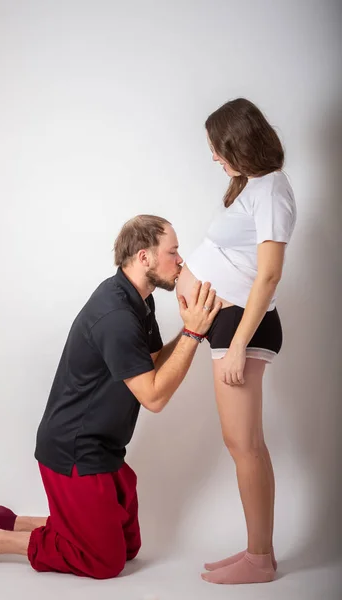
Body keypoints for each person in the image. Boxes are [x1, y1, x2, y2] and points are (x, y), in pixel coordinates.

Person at [0, 215, 221, 578]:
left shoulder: (139, 300)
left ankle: (16, 521)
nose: (180, 260)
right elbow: (153, 397)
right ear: (144, 257)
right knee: (106, 560)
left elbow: (151, 366)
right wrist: (192, 335)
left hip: (103, 446)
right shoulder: (117, 315)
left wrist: (190, 331)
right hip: (74, 449)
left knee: (129, 544)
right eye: (173, 251)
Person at [176, 98, 297, 585]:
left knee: (245, 444)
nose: (213, 157)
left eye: (217, 148)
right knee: (239, 442)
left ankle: (260, 559)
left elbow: (268, 277)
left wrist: (241, 344)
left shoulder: (271, 192)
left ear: (238, 142)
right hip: (228, 325)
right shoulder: (253, 186)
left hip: (242, 327)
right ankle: (256, 552)